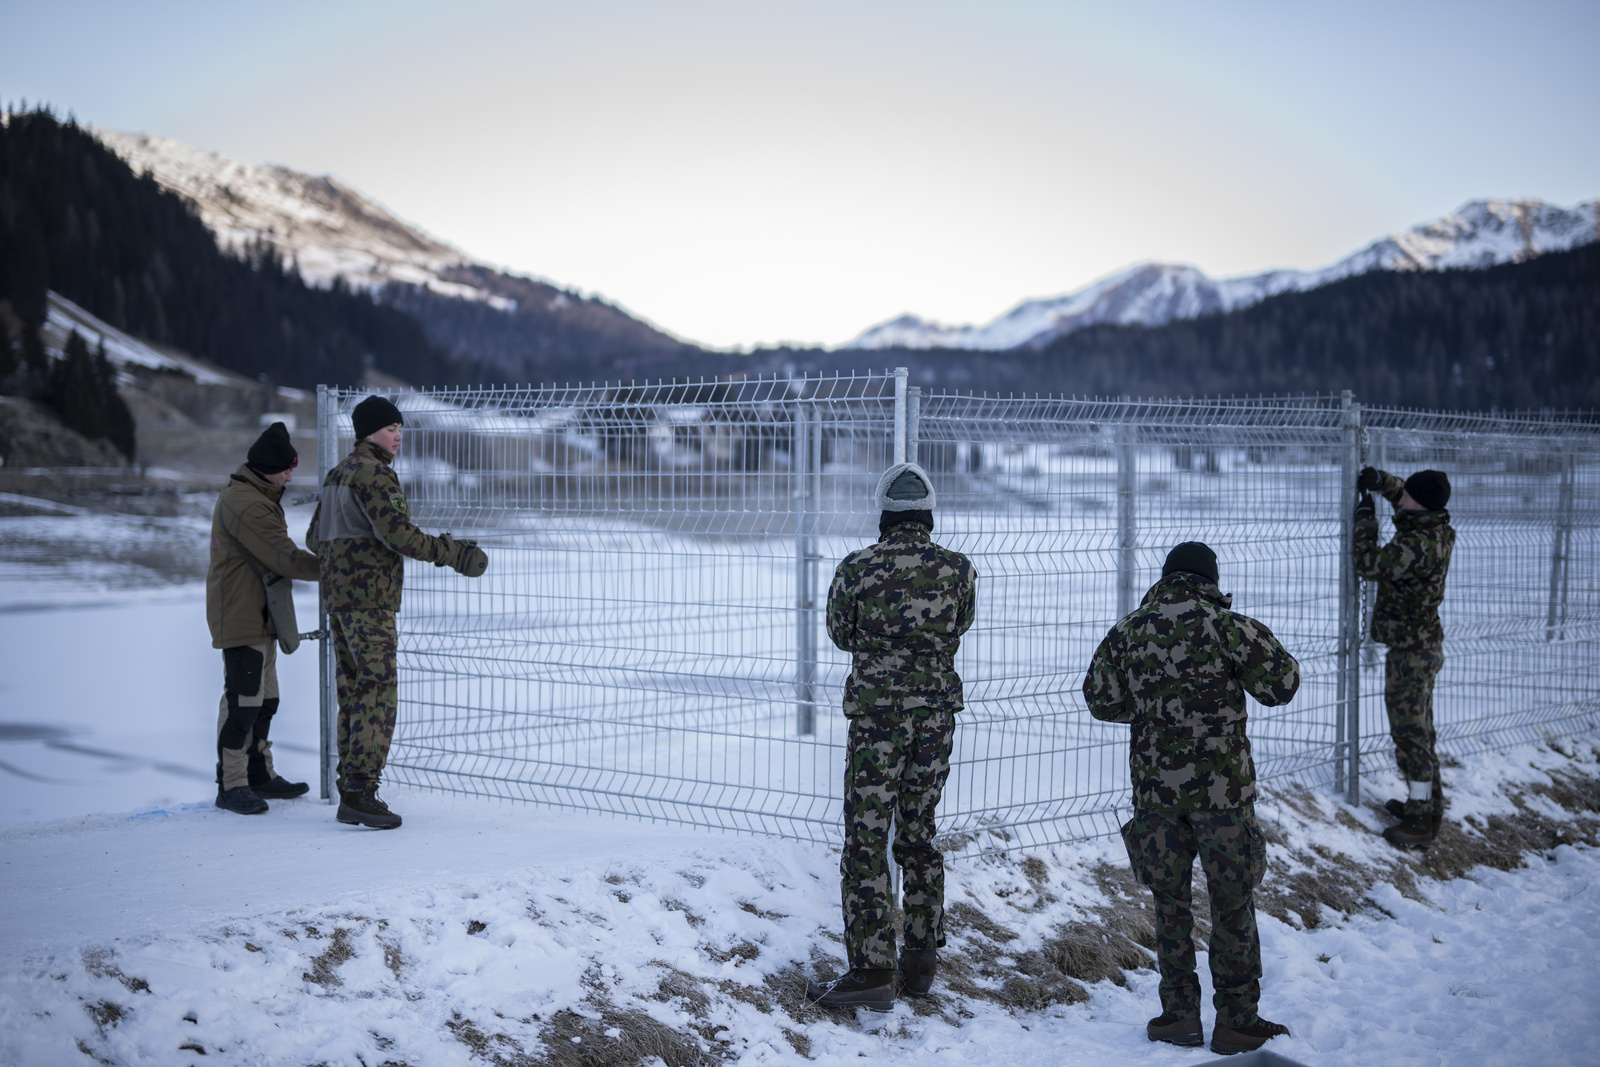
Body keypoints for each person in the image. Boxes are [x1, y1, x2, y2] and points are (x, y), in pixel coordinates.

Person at [1084, 542, 1299, 1057]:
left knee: (1170, 904)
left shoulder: (1130, 629)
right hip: (1224, 795)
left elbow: (1100, 698)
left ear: (1166, 577)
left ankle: (1178, 1016)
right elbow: (1282, 685)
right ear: (1209, 579)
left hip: (1156, 794)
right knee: (1232, 904)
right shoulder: (1229, 627)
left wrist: (1152, 708)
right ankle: (1237, 1021)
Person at [805, 462, 977, 1012]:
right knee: (919, 838)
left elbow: (839, 633)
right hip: (934, 719)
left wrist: (880, 647)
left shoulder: (857, 568)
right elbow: (960, 625)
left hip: (877, 721)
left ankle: (871, 970)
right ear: (928, 513)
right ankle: (922, 962)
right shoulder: (957, 569)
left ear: (883, 513)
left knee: (866, 840)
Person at [307, 395, 487, 830]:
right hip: (370, 602)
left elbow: (316, 538)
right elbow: (400, 536)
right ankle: (361, 791)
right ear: (369, 432)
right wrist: (452, 553)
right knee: (378, 692)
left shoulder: (337, 475)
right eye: (391, 429)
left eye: (400, 428)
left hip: (340, 602)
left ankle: (351, 788)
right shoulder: (375, 474)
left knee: (353, 691)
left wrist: (345, 556)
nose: (398, 435)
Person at [207, 421, 321, 815]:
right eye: (286, 469)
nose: (291, 475)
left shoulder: (256, 494)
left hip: (260, 614)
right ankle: (231, 784)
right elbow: (285, 558)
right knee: (243, 702)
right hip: (241, 615)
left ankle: (258, 775)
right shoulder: (248, 504)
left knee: (266, 700)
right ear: (266, 467)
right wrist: (338, 569)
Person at [1354, 466, 1455, 850]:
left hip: (1411, 654)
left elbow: (1369, 564)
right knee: (1422, 734)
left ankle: (1419, 820)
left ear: (1421, 504)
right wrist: (1382, 482)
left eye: (1407, 495)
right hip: (1423, 646)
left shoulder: (1419, 544)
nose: (1402, 499)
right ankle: (1428, 807)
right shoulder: (1435, 527)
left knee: (1410, 737)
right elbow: (1406, 496)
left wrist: (1366, 525)